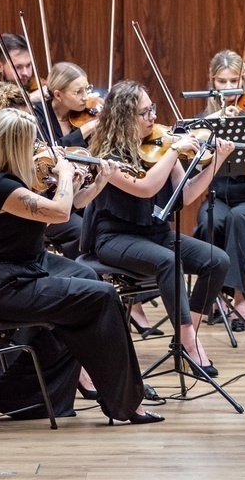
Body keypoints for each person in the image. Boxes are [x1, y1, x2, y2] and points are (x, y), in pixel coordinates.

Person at [0, 108, 162, 424]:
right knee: (102, 297)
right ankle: (126, 403)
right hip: (4, 285)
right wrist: (67, 176)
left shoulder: (15, 177)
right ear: (13, 146)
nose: (40, 148)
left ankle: (24, 395)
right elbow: (60, 213)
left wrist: (98, 180)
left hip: (23, 266)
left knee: (85, 276)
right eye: (32, 142)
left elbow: (76, 204)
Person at [88, 80, 235, 377]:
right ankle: (190, 344)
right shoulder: (107, 157)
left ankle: (185, 336)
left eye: (152, 109)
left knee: (217, 260)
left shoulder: (160, 142)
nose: (154, 117)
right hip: (115, 237)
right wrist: (174, 150)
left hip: (156, 234)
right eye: (145, 113)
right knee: (169, 261)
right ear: (125, 117)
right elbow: (145, 188)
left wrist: (215, 162)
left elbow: (186, 195)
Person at [194, 50, 245, 331]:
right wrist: (217, 121)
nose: (228, 87)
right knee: (210, 219)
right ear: (212, 82)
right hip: (220, 195)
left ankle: (240, 298)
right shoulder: (205, 119)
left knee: (239, 219)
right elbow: (195, 165)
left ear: (244, 80)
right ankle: (213, 296)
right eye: (222, 82)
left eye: (234, 81)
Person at [33, 61, 98, 148]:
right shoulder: (37, 115)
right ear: (58, 95)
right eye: (78, 91)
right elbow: (49, 153)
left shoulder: (89, 114)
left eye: (87, 89)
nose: (86, 97)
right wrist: (88, 128)